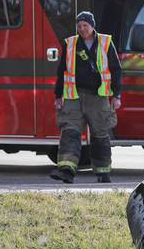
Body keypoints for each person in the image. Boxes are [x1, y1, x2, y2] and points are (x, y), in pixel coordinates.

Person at [50, 11, 122, 183]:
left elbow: (116, 70)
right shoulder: (70, 43)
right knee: (69, 131)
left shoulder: (105, 42)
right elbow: (62, 71)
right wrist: (58, 94)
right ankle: (66, 170)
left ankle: (103, 172)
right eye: (79, 26)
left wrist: (116, 95)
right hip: (73, 96)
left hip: (98, 97)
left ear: (92, 26)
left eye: (85, 26)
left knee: (100, 134)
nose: (82, 29)